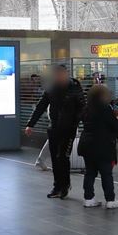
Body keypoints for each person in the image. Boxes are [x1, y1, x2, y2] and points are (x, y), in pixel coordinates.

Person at [25, 65, 84, 199]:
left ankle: (65, 185)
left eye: (61, 74)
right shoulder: (51, 89)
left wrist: (76, 122)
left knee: (63, 157)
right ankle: (57, 186)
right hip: (54, 128)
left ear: (66, 74)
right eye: (57, 75)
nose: (59, 77)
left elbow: (82, 107)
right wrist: (30, 124)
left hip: (69, 129)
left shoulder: (75, 88)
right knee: (55, 158)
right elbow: (41, 106)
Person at [78, 84, 118, 209]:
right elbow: (116, 126)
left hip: (87, 145)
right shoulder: (105, 109)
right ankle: (110, 200)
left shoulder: (86, 109)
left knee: (89, 172)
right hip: (103, 146)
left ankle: (88, 198)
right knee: (106, 174)